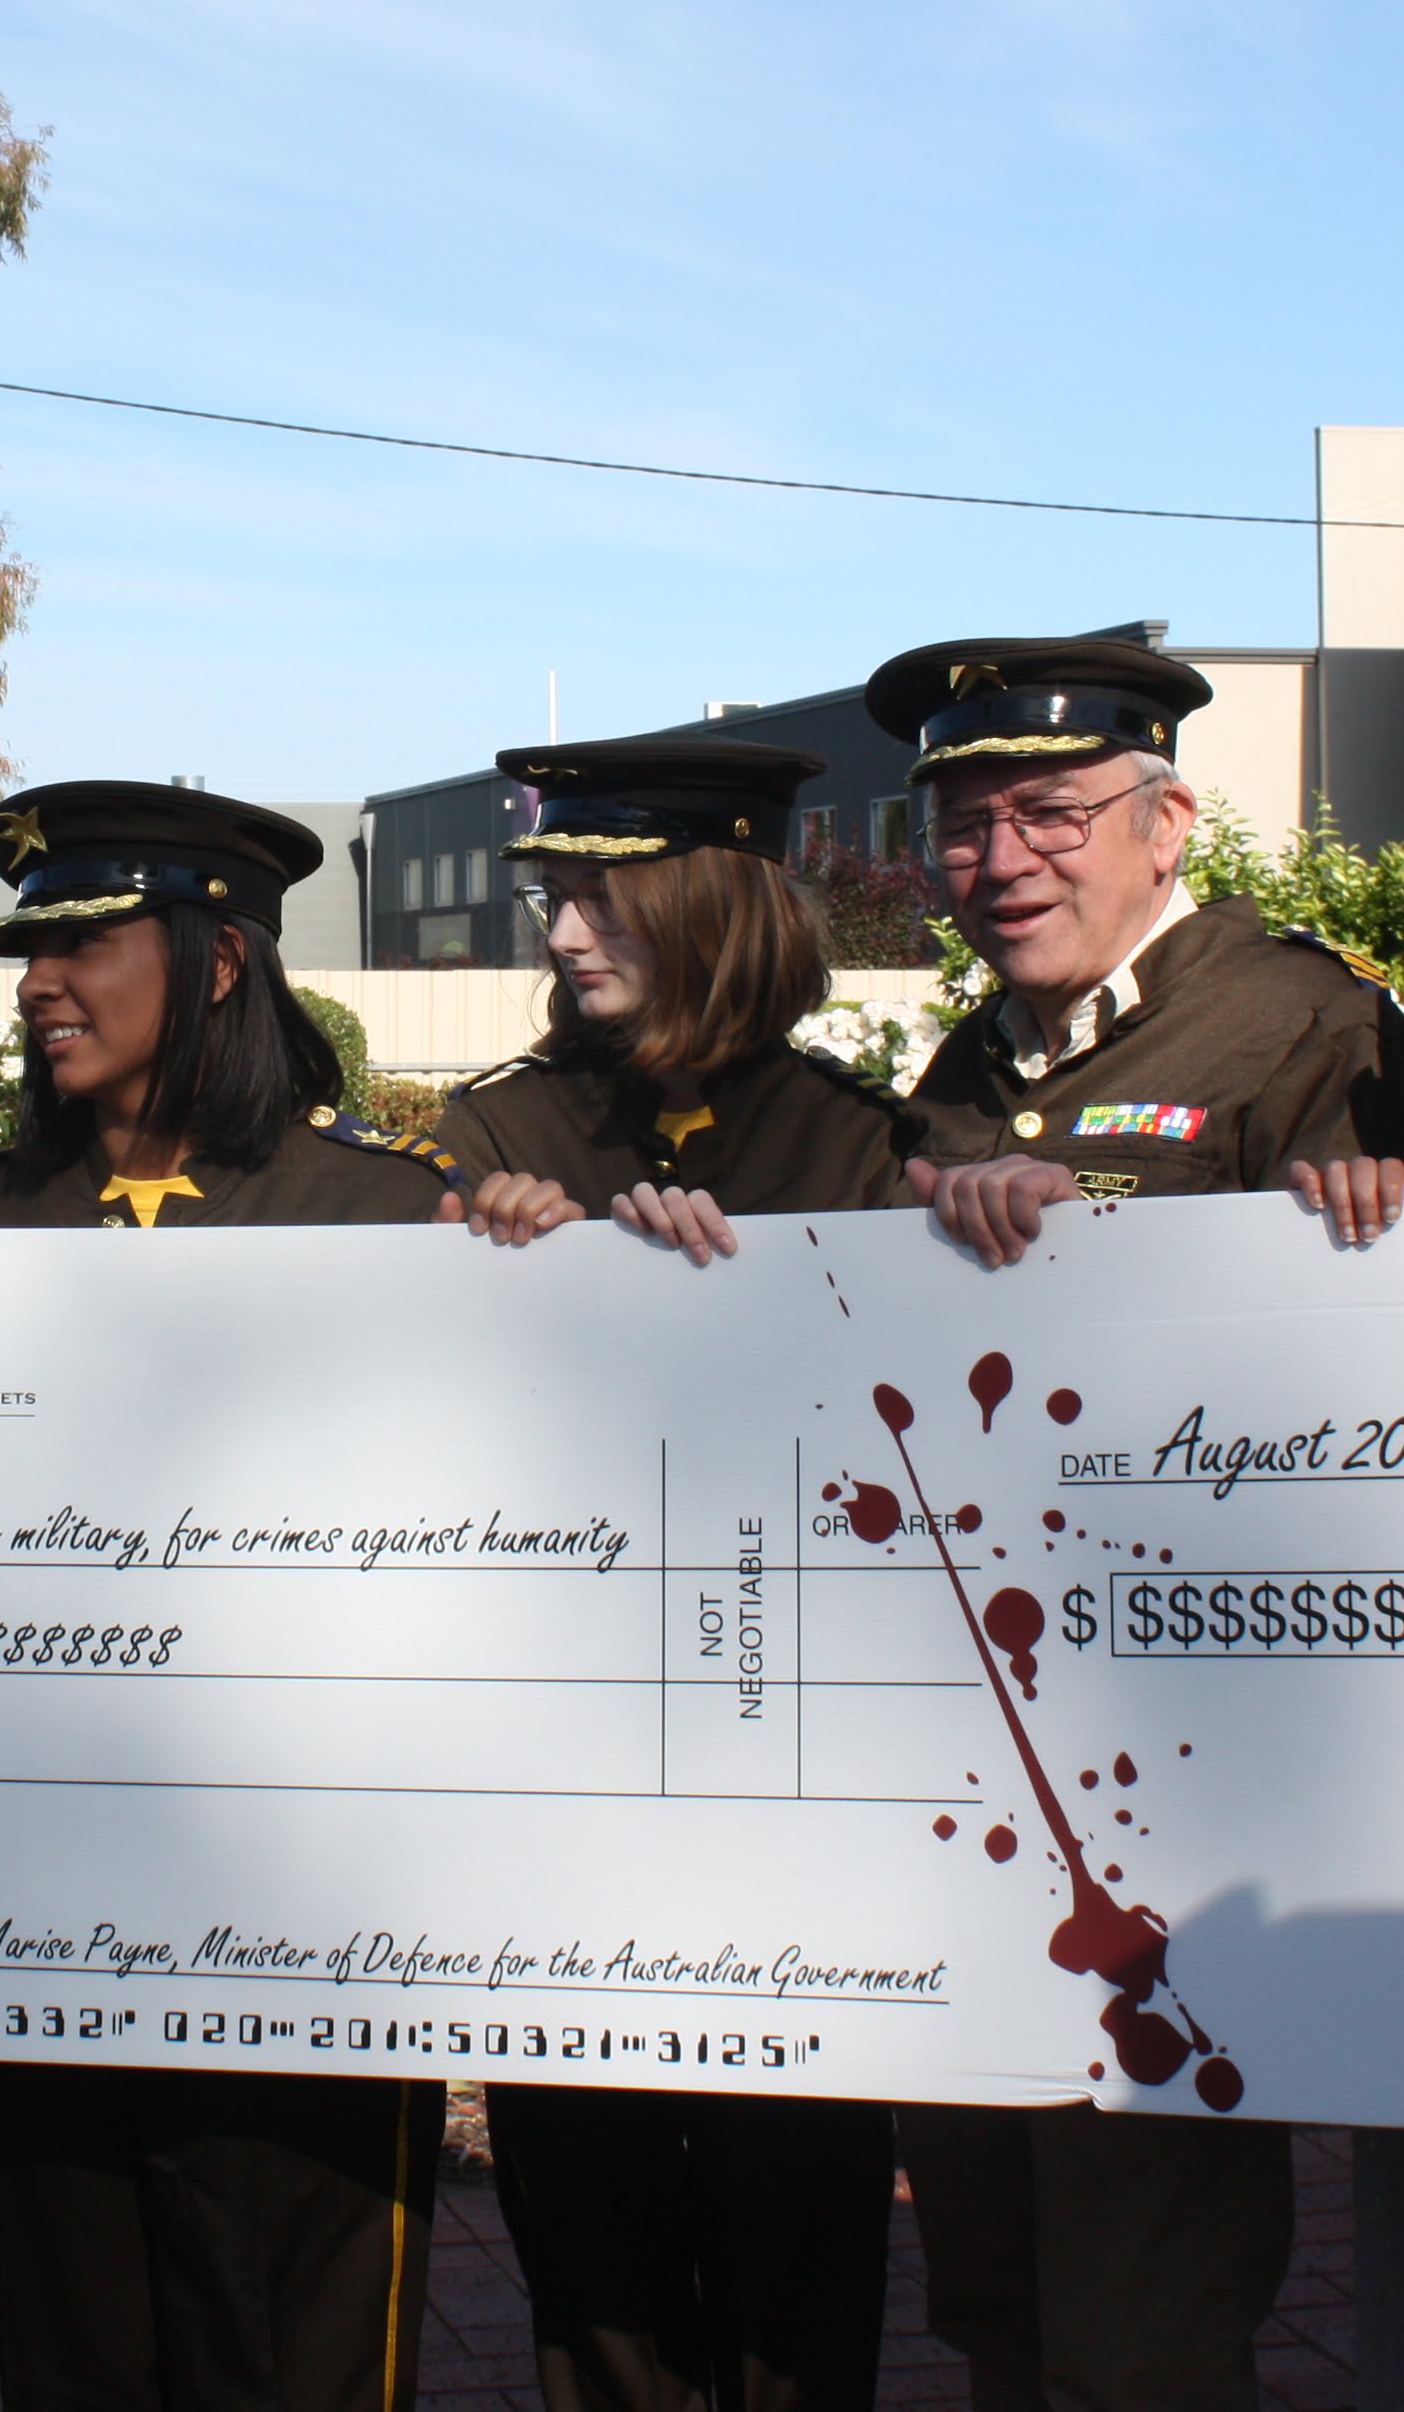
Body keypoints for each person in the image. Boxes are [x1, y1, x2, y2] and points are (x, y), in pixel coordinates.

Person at [0, 781, 524, 2412]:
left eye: (84, 940)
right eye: (30, 946)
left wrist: (527, 1266)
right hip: (54, 1931)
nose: (39, 980)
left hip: (320, 1940)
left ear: (218, 965)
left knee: (287, 2359)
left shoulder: (385, 1220)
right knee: (80, 2351)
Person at [871, 637, 1404, 2412]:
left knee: (1147, 2308)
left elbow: (1394, 1384)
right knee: (992, 2284)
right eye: (962, 826)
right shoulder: (965, 1062)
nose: (1003, 860)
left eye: (1050, 811)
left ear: (1169, 820)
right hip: (979, 1776)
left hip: (1182, 1767)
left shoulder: (1304, 1020)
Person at [422, 737, 914, 2412]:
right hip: (569, 1820)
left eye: (599, 899)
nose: (562, 937)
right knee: (598, 2287)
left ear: (714, 903)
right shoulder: (491, 1134)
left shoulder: (862, 1146)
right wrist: (471, 1264)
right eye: (558, 900)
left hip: (807, 1816)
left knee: (801, 2285)